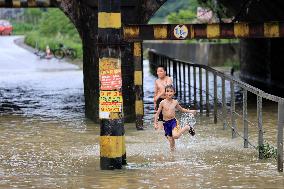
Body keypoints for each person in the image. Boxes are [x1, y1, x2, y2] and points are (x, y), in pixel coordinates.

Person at [154, 85, 197, 151]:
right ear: (165, 92)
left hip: (173, 121)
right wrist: (155, 123)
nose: (169, 93)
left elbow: (182, 109)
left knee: (176, 136)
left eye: (171, 91)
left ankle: (186, 127)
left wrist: (190, 111)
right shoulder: (162, 102)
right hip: (166, 123)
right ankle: (173, 157)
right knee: (171, 142)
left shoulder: (175, 102)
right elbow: (157, 113)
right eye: (167, 91)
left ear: (174, 92)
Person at [154, 65, 173, 130]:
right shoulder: (157, 81)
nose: (159, 73)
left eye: (161, 71)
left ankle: (169, 128)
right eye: (158, 71)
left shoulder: (168, 79)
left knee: (168, 114)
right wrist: (155, 103)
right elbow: (156, 92)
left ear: (165, 72)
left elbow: (166, 89)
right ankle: (160, 130)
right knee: (160, 116)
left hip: (167, 99)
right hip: (159, 99)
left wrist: (158, 96)